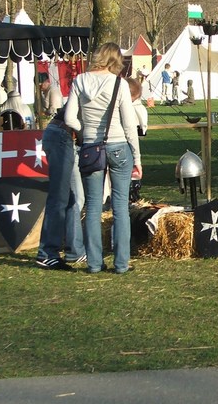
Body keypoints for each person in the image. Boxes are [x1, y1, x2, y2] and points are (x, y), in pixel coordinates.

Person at [64, 42, 142, 275]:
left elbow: (69, 119)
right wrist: (137, 157)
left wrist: (85, 131)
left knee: (93, 206)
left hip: (91, 147)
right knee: (120, 206)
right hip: (118, 146)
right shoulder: (119, 83)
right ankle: (121, 263)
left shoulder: (79, 81)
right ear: (116, 60)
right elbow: (129, 124)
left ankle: (94, 263)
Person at [35, 106, 86, 271]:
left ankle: (75, 250)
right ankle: (47, 253)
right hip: (62, 136)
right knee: (59, 197)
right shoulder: (103, 93)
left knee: (70, 199)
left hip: (60, 134)